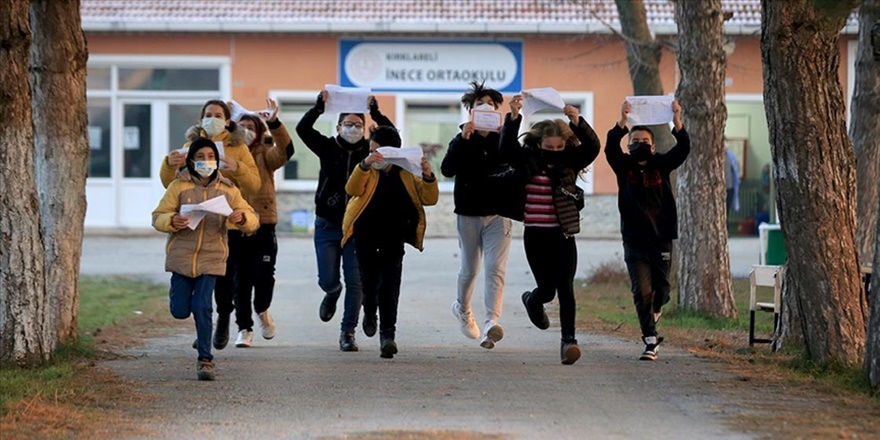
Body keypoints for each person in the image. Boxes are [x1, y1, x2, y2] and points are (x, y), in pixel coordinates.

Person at [500, 96, 601, 365]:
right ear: (539, 143)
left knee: (566, 288)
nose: (554, 150)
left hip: (563, 235)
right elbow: (506, 150)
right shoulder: (527, 160)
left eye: (559, 146)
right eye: (549, 146)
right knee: (547, 290)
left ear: (565, 145)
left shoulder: (570, 162)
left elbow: (593, 147)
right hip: (535, 236)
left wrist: (578, 122)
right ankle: (533, 301)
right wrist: (513, 116)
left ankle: (569, 341)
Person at [152, 137, 259, 381]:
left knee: (203, 306)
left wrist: (242, 219)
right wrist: (171, 221)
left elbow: (252, 218)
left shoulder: (228, 188)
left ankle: (205, 359)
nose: (206, 162)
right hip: (181, 257)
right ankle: (192, 322)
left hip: (212, 257)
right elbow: (158, 215)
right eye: (200, 157)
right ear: (190, 160)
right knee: (179, 310)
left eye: (210, 157)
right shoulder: (178, 187)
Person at [296, 90, 394, 351]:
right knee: (327, 278)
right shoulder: (328, 146)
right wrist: (318, 108)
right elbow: (302, 129)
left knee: (357, 280)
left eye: (358, 125)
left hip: (358, 225)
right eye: (348, 124)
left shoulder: (369, 150)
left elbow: (393, 137)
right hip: (327, 223)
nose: (353, 128)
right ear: (338, 126)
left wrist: (376, 114)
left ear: (364, 129)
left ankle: (347, 332)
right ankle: (331, 292)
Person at [341, 126, 439, 359]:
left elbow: (429, 198)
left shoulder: (406, 171)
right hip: (365, 235)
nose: (373, 154)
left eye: (378, 151)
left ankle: (388, 336)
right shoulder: (366, 169)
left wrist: (428, 176)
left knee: (389, 286)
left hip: (394, 238)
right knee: (369, 282)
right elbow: (351, 189)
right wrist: (364, 165)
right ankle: (369, 311)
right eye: (371, 149)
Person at [604, 99, 689, 361]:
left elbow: (683, 148)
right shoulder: (624, 167)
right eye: (635, 141)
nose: (640, 145)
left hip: (662, 236)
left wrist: (677, 122)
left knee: (661, 290)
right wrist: (622, 121)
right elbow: (609, 148)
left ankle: (656, 307)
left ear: (653, 146)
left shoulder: (662, 164)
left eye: (644, 142)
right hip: (634, 239)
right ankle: (650, 340)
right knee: (641, 291)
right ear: (629, 146)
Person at [440, 81, 513, 349]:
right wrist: (463, 139)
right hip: (468, 213)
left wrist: (509, 130)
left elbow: (516, 163)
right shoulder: (461, 139)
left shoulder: (504, 138)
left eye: (491, 106)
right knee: (470, 270)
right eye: (480, 105)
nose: (486, 110)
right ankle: (462, 308)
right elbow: (447, 170)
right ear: (470, 111)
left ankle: (491, 323)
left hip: (499, 213)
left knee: (495, 268)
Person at [229, 99, 294, 348]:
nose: (246, 130)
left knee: (264, 275)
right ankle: (244, 328)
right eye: (241, 126)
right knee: (240, 279)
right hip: (235, 223)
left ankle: (263, 310)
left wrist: (274, 123)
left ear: (258, 131)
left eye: (251, 127)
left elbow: (285, 151)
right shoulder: (228, 153)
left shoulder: (265, 154)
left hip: (264, 223)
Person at [724, 147, 740, 213]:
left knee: (726, 210)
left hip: (729, 187)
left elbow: (736, 167)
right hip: (720, 188)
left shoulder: (730, 156)